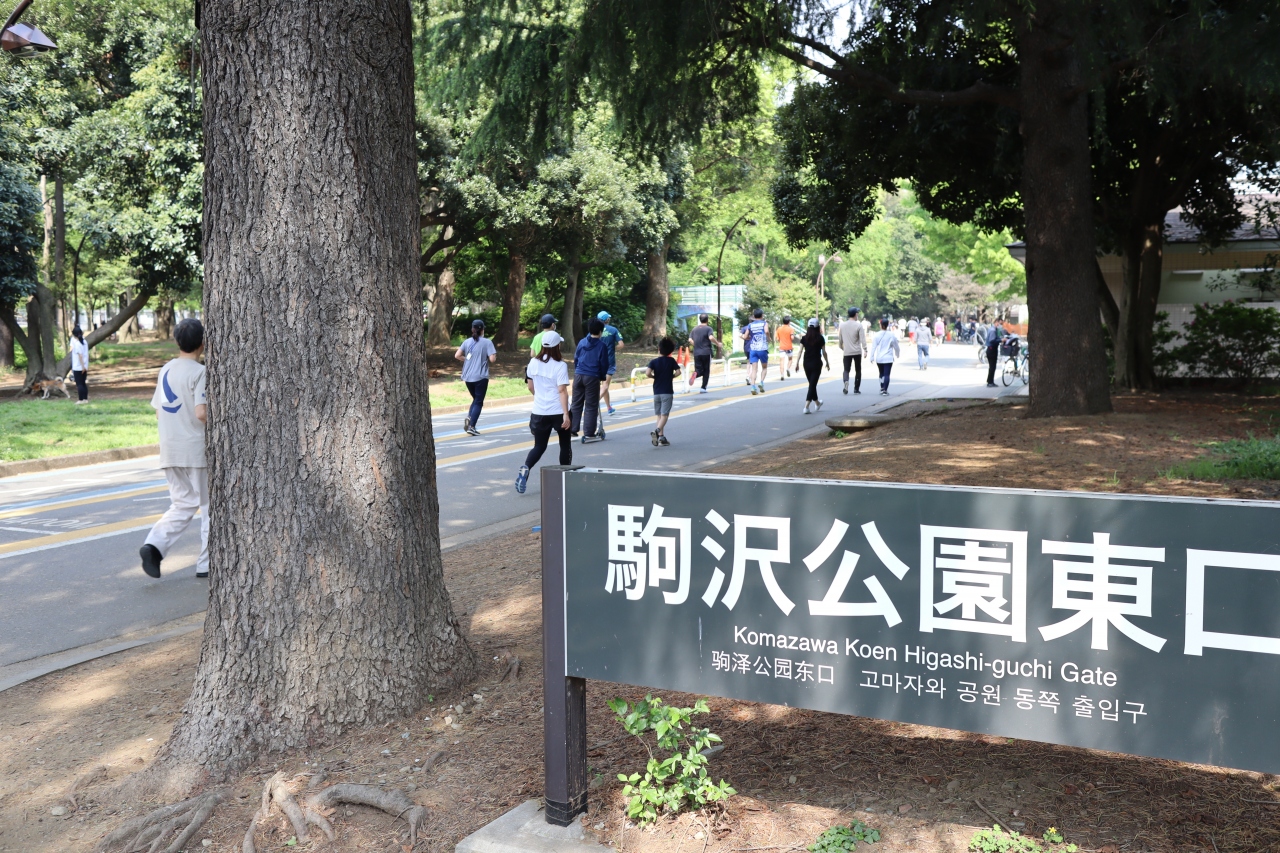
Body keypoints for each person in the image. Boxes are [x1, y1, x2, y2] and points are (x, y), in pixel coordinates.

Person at [139, 319, 208, 580]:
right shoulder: (200, 372)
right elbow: (201, 412)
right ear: (203, 342)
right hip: (195, 450)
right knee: (209, 506)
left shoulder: (166, 370)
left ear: (177, 342)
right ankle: (206, 564)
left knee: (182, 503)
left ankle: (154, 546)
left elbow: (159, 412)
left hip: (169, 449)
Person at [515, 331, 572, 494]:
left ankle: (526, 467)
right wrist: (566, 415)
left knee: (539, 446)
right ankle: (564, 477)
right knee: (565, 444)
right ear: (557, 346)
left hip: (539, 411)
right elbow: (562, 391)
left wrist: (540, 398)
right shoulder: (560, 365)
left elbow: (530, 387)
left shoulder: (532, 363)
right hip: (557, 411)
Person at [455, 318, 497, 436]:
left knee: (476, 399)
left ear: (472, 329)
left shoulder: (467, 342)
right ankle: (472, 426)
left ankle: (470, 416)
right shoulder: (487, 342)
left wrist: (467, 360)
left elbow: (457, 355)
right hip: (480, 376)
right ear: (482, 329)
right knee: (479, 401)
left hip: (467, 376)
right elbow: (492, 359)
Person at [572, 318, 608, 442]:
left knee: (576, 403)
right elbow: (604, 364)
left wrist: (577, 371)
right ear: (600, 331)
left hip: (578, 375)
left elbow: (576, 359)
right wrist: (602, 377)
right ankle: (588, 432)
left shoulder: (582, 342)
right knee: (591, 405)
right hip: (592, 376)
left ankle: (572, 427)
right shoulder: (601, 346)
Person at [646, 337, 681, 446]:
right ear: (670, 351)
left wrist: (653, 377)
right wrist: (672, 376)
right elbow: (679, 372)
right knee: (665, 415)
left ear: (659, 349)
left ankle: (661, 437)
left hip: (656, 392)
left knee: (659, 415)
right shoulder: (671, 361)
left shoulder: (654, 361)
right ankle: (657, 431)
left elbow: (647, 373)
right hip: (667, 392)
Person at [799, 319, 830, 414]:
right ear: (818, 327)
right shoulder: (820, 338)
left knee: (812, 384)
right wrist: (827, 362)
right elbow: (824, 352)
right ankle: (806, 407)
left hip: (806, 363)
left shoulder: (804, 338)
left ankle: (817, 403)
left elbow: (800, 351)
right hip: (816, 363)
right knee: (812, 384)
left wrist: (796, 363)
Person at [597, 311, 624, 415]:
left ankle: (608, 407)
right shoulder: (613, 330)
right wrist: (613, 348)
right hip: (609, 361)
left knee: (603, 386)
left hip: (597, 362)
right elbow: (621, 344)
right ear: (607, 320)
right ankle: (593, 404)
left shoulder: (594, 330)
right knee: (605, 385)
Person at [686, 313, 720, 394]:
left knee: (698, 369)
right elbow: (711, 337)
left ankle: (696, 373)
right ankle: (703, 388)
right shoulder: (708, 328)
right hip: (706, 352)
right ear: (707, 320)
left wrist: (696, 344)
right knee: (706, 370)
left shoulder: (694, 329)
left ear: (700, 320)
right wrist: (718, 343)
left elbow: (690, 340)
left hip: (697, 352)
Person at [837, 307, 867, 395]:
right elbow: (863, 339)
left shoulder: (842, 325)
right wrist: (865, 349)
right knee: (858, 370)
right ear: (855, 314)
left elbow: (840, 339)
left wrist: (841, 347)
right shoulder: (858, 325)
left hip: (847, 351)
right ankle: (856, 389)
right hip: (857, 351)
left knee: (846, 369)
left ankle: (846, 381)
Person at [870, 318, 900, 396]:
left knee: (881, 373)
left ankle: (882, 387)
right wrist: (897, 353)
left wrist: (872, 356)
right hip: (888, 358)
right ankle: (885, 390)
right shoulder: (891, 335)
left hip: (879, 358)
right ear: (887, 325)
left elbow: (873, 347)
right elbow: (896, 346)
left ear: (881, 325)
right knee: (887, 374)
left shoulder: (876, 335)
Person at [742, 308, 769, 394]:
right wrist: (769, 337)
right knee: (764, 367)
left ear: (754, 316)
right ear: (762, 315)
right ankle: (761, 382)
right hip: (762, 348)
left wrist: (750, 337)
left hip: (753, 349)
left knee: (754, 369)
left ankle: (753, 387)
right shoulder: (764, 323)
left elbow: (745, 336)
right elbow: (766, 331)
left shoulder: (750, 325)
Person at [70, 325, 89, 404]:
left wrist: (82, 366)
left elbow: (80, 356)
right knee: (83, 383)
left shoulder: (77, 344)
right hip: (85, 365)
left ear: (74, 335)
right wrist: (85, 366)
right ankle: (85, 399)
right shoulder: (85, 342)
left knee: (79, 384)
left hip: (78, 366)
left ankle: (80, 400)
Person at [984, 320, 1005, 387]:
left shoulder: (992, 329)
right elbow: (992, 340)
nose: (1000, 325)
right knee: (992, 367)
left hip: (991, 349)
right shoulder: (993, 330)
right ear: (996, 322)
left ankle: (990, 381)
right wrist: (1001, 340)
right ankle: (990, 382)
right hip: (992, 349)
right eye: (1000, 323)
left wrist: (1000, 339)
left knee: (992, 367)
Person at [774, 316, 795, 380]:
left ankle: (782, 375)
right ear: (789, 322)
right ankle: (788, 368)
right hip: (789, 347)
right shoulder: (791, 329)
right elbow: (792, 338)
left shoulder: (779, 329)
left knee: (781, 361)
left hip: (782, 347)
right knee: (790, 359)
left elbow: (777, 339)